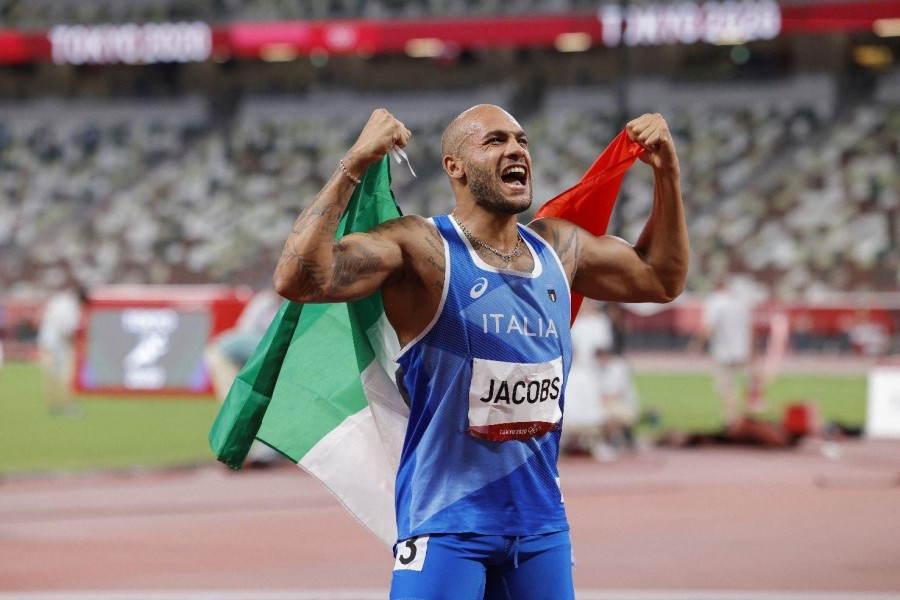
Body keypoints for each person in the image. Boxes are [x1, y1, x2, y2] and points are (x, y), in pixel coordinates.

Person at [273, 106, 688, 599]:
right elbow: (299, 278)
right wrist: (354, 164)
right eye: (495, 141)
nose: (516, 150)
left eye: (522, 140)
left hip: (540, 527)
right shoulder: (422, 249)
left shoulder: (558, 249)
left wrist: (667, 172)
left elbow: (662, 278)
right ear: (455, 166)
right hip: (447, 523)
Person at [693, 277, 755, 426]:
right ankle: (740, 418)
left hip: (724, 351)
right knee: (739, 387)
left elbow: (709, 327)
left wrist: (697, 345)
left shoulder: (715, 302)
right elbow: (750, 328)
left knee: (726, 388)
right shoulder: (740, 302)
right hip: (742, 350)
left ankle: (730, 420)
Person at [37, 285, 89, 417]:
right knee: (65, 375)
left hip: (46, 341)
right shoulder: (71, 307)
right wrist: (77, 346)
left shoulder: (60, 300)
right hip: (57, 344)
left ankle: (54, 405)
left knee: (51, 376)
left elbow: (44, 317)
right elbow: (66, 330)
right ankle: (66, 405)